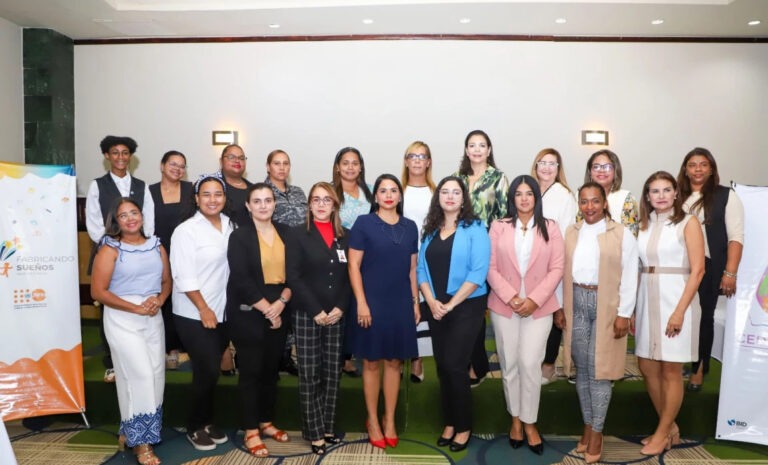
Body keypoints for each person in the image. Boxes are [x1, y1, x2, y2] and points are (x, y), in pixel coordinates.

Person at [560, 182, 639, 464]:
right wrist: (560, 307)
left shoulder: (620, 234)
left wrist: (624, 313)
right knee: (582, 368)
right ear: (579, 204)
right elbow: (562, 272)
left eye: (595, 201)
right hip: (577, 303)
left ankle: (597, 432)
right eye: (584, 201)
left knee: (599, 369)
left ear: (605, 203)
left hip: (606, 306)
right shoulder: (571, 232)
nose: (589, 207)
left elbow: (631, 275)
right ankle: (588, 424)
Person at [486, 175, 564, 456]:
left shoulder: (551, 228)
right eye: (518, 194)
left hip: (539, 307)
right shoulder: (498, 227)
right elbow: (490, 266)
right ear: (512, 198)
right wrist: (511, 296)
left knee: (530, 363)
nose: (523, 198)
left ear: (536, 197)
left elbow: (557, 268)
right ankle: (516, 420)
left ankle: (530, 422)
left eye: (529, 193)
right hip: (504, 305)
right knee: (509, 364)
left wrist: (533, 300)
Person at [91, 198, 171, 465]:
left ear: (142, 215)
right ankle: (142, 444)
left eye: (133, 212)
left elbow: (166, 282)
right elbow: (98, 292)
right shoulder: (110, 249)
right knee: (141, 376)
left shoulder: (156, 245)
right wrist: (134, 308)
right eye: (123, 215)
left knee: (156, 376)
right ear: (116, 221)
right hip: (122, 319)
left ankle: (130, 429)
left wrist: (159, 300)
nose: (130, 218)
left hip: (153, 316)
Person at [416, 176, 490, 452]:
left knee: (457, 365)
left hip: (467, 305)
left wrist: (451, 303)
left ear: (463, 198)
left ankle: (463, 425)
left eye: (455, 192)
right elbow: (421, 269)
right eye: (444, 192)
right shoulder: (432, 230)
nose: (449, 196)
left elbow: (478, 272)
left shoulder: (475, 228)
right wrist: (432, 300)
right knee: (442, 365)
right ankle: (449, 421)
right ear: (438, 198)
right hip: (436, 306)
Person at [635, 171, 704, 456]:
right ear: (647, 196)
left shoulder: (688, 222)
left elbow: (698, 270)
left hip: (677, 299)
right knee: (646, 366)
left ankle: (662, 434)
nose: (661, 196)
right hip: (646, 299)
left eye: (666, 190)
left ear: (676, 192)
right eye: (654, 191)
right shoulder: (643, 224)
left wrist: (679, 312)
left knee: (671, 369)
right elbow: (638, 267)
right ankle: (671, 426)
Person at [348, 174, 419, 449]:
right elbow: (353, 266)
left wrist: (414, 303)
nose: (388, 195)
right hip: (371, 302)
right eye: (382, 190)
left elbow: (412, 269)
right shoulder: (364, 223)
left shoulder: (411, 227)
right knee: (372, 362)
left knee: (394, 362)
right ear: (375, 196)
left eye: (393, 190)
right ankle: (373, 420)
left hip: (400, 302)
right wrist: (362, 303)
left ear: (400, 196)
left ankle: (389, 419)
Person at [226, 183, 293, 457]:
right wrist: (268, 309)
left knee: (270, 371)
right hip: (249, 310)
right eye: (257, 201)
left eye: (268, 200)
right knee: (251, 373)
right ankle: (250, 429)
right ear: (248, 205)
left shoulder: (288, 233)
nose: (263, 205)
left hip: (281, 304)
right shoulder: (239, 237)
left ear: (275, 203)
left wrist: (281, 304)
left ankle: (265, 421)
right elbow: (240, 279)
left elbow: (296, 274)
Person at [286, 182, 351, 455]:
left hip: (337, 314)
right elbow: (293, 276)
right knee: (310, 374)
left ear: (335, 204)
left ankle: (327, 426)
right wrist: (316, 311)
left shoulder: (345, 236)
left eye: (327, 200)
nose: (322, 204)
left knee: (331, 374)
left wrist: (341, 307)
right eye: (316, 200)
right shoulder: (297, 234)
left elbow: (351, 276)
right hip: (306, 313)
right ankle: (314, 432)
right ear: (309, 204)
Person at [170, 174, 234, 451]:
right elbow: (183, 276)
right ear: (196, 199)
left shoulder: (231, 225)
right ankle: (194, 426)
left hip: (224, 310)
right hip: (194, 312)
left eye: (217, 194)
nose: (212, 199)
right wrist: (204, 308)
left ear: (224, 197)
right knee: (206, 368)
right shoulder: (186, 231)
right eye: (206, 194)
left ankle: (207, 421)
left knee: (211, 372)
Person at [86, 135, 155, 383]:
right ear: (107, 156)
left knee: (141, 297)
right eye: (115, 153)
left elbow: (149, 218)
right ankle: (112, 360)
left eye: (125, 153)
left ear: (130, 157)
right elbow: (94, 222)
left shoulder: (142, 185)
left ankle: (143, 355)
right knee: (109, 304)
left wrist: (143, 246)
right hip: (110, 252)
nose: (120, 157)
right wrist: (112, 246)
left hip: (139, 252)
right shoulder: (97, 185)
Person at [677, 148, 744, 391]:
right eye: (692, 165)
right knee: (685, 316)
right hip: (679, 267)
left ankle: (700, 368)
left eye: (703, 164)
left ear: (712, 168)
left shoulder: (726, 196)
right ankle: (690, 359)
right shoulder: (677, 196)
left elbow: (736, 237)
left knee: (703, 318)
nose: (697, 169)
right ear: (685, 169)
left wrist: (730, 272)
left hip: (708, 267)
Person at [454, 129, 509, 386]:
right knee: (461, 305)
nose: (476, 150)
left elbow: (503, 216)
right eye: (472, 145)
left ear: (489, 150)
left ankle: (478, 365)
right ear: (466, 150)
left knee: (477, 307)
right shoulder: (457, 178)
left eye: (482, 145)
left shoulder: (498, 178)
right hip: (458, 249)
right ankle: (467, 361)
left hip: (486, 247)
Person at [530, 148, 577, 384]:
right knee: (533, 315)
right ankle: (532, 363)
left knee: (553, 312)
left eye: (553, 164)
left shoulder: (564, 195)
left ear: (559, 169)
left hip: (554, 262)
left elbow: (568, 233)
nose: (547, 168)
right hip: (528, 264)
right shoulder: (528, 190)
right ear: (535, 166)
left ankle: (548, 364)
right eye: (543, 162)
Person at [149, 150, 195, 370]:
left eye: (182, 166)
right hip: (158, 252)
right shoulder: (148, 192)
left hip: (186, 252)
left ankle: (184, 347)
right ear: (162, 165)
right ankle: (166, 349)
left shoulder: (190, 190)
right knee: (163, 297)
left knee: (185, 295)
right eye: (173, 164)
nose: (178, 169)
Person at [264, 149, 307, 377]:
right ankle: (273, 357)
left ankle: (287, 356)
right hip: (274, 256)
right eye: (277, 163)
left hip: (299, 256)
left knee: (294, 306)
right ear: (268, 166)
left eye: (286, 163)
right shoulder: (262, 192)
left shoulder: (298, 192)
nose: (281, 168)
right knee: (275, 304)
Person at [332, 146, 374, 377]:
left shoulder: (368, 191)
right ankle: (341, 358)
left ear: (361, 167)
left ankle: (356, 353)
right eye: (345, 163)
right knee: (343, 303)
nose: (350, 167)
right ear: (338, 167)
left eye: (355, 163)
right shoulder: (330, 192)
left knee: (362, 303)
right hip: (338, 254)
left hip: (367, 256)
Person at [401, 141, 437, 383]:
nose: (417, 160)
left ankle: (418, 359)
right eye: (412, 156)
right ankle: (402, 356)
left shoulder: (436, 192)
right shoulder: (397, 190)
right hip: (401, 258)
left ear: (428, 162)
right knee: (404, 308)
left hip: (429, 258)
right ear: (406, 161)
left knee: (423, 309)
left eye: (422, 156)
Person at [582, 149, 638, 237]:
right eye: (596, 167)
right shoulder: (579, 195)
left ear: (615, 171)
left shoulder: (626, 198)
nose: (601, 171)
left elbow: (631, 236)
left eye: (607, 167)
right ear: (590, 172)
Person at [218, 144, 252, 226]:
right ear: (221, 161)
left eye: (241, 158)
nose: (237, 161)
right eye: (231, 157)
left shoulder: (252, 189)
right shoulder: (212, 185)